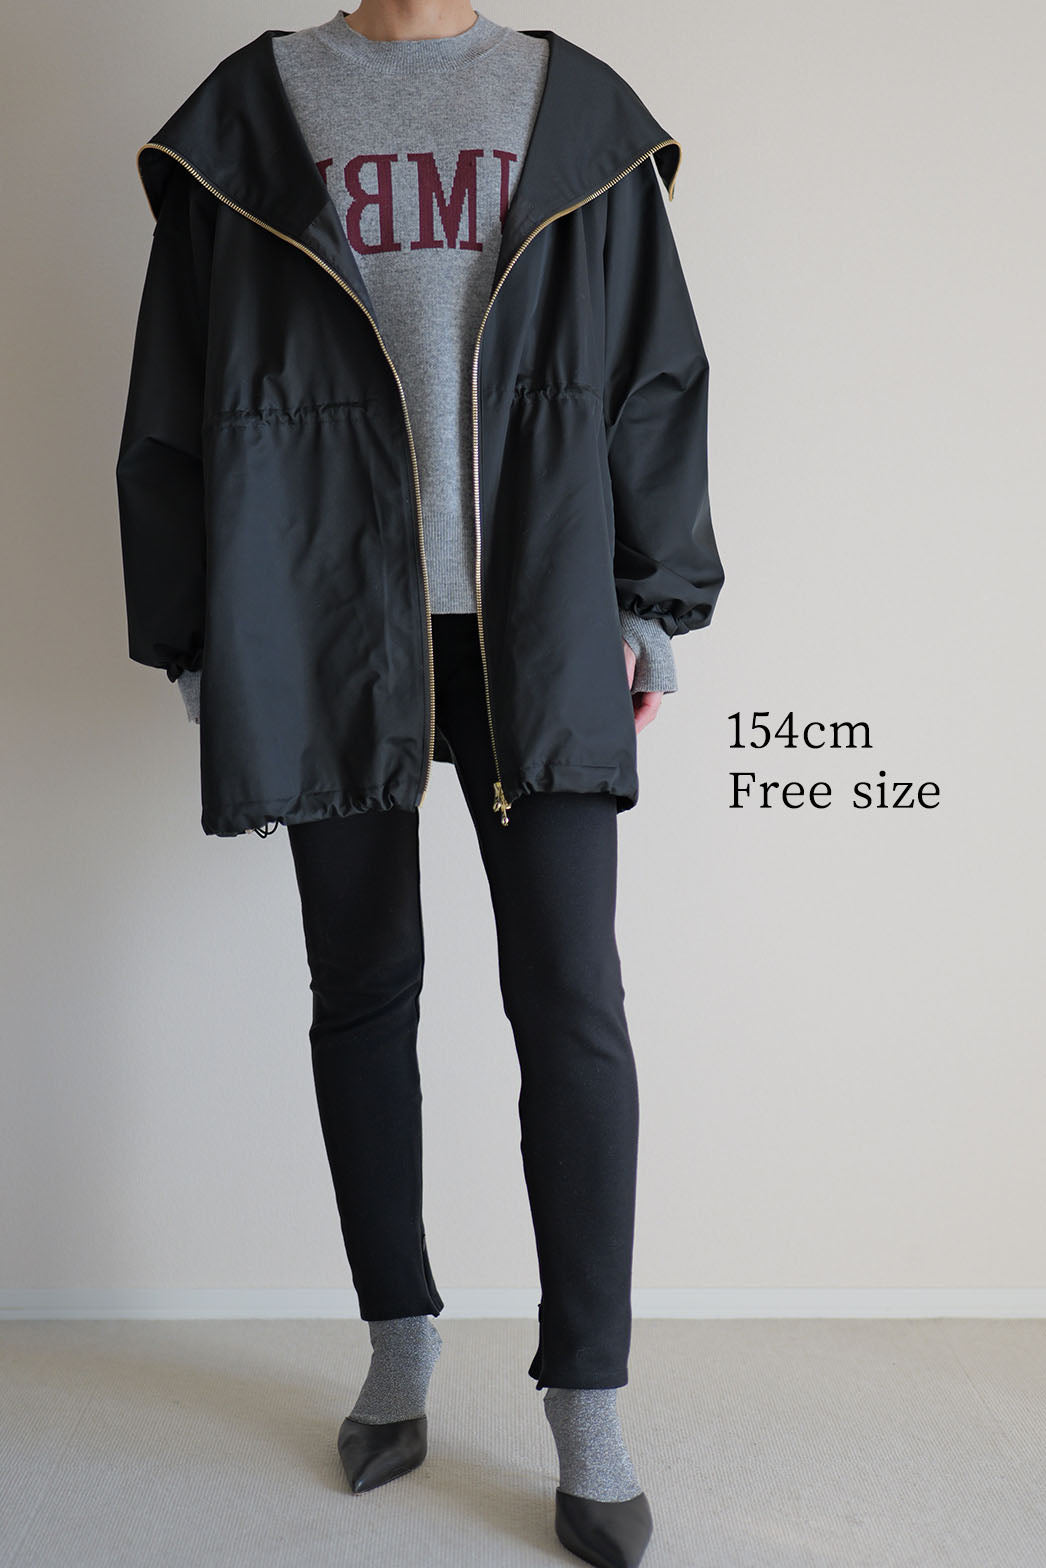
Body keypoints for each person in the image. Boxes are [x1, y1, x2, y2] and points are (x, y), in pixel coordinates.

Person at [115, 5, 724, 1564]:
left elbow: (654, 366)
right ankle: (399, 1341)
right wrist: (195, 629)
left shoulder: (572, 105)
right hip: (318, 613)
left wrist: (651, 596)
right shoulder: (250, 110)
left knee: (570, 1001)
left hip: (536, 614)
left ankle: (586, 1404)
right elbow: (171, 397)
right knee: (361, 987)